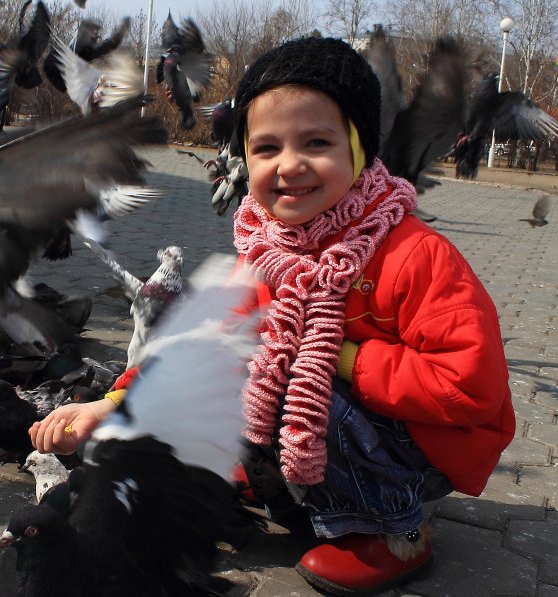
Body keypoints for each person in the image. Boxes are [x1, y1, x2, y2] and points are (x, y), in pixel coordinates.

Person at [29, 36, 514, 596]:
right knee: (239, 358)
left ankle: (397, 532)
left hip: (418, 453)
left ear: (360, 149)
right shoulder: (268, 253)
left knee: (290, 369)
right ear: (243, 157)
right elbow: (198, 347)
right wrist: (110, 405)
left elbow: (471, 387)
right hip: (338, 437)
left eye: (316, 141)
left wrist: (340, 356)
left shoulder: (414, 255)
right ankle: (284, 488)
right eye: (265, 148)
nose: (290, 165)